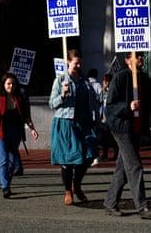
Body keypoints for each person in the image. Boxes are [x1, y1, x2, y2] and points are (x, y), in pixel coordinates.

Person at [103, 51, 151, 219]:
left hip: (136, 129)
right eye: (137, 55)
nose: (141, 58)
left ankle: (110, 203)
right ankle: (142, 206)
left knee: (122, 169)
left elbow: (150, 101)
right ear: (128, 60)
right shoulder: (120, 78)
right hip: (122, 129)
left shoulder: (144, 79)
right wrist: (128, 106)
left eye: (141, 55)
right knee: (135, 166)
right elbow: (110, 106)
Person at [48, 49, 98, 205]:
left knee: (89, 155)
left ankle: (76, 185)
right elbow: (51, 104)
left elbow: (91, 102)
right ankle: (68, 191)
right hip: (66, 123)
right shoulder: (60, 80)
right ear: (68, 62)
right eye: (76, 63)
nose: (78, 66)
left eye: (80, 63)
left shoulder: (85, 81)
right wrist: (62, 95)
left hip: (84, 123)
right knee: (68, 159)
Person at [0, 72, 39, 198]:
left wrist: (32, 128)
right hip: (0, 131)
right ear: (3, 84)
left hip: (15, 131)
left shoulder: (19, 98)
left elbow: (25, 115)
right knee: (3, 160)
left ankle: (7, 183)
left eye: (13, 84)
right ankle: (5, 187)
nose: (11, 86)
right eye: (8, 83)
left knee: (12, 159)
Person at [98, 73, 118, 160]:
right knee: (104, 138)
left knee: (114, 138)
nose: (105, 83)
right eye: (104, 81)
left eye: (107, 81)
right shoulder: (102, 92)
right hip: (103, 118)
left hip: (112, 118)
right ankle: (105, 154)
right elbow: (100, 102)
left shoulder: (113, 91)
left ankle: (116, 154)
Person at [87, 68, 103, 166]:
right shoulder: (97, 85)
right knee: (93, 136)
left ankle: (92, 156)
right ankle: (95, 156)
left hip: (87, 114)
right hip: (94, 114)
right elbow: (100, 99)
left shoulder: (85, 84)